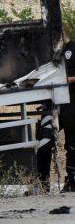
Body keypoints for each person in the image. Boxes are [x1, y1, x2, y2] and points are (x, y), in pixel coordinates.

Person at [61, 31, 75, 190]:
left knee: (71, 143)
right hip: (59, 104)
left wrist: (66, 80)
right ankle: (42, 181)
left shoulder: (73, 47)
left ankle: (71, 180)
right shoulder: (57, 53)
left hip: (72, 103)